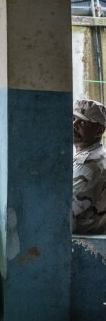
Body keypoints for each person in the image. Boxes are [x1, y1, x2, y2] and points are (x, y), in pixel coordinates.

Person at [72, 98, 106, 234]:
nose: (74, 125)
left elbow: (62, 211)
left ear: (99, 130)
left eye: (82, 122)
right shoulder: (95, 155)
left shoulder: (90, 166)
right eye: (73, 118)